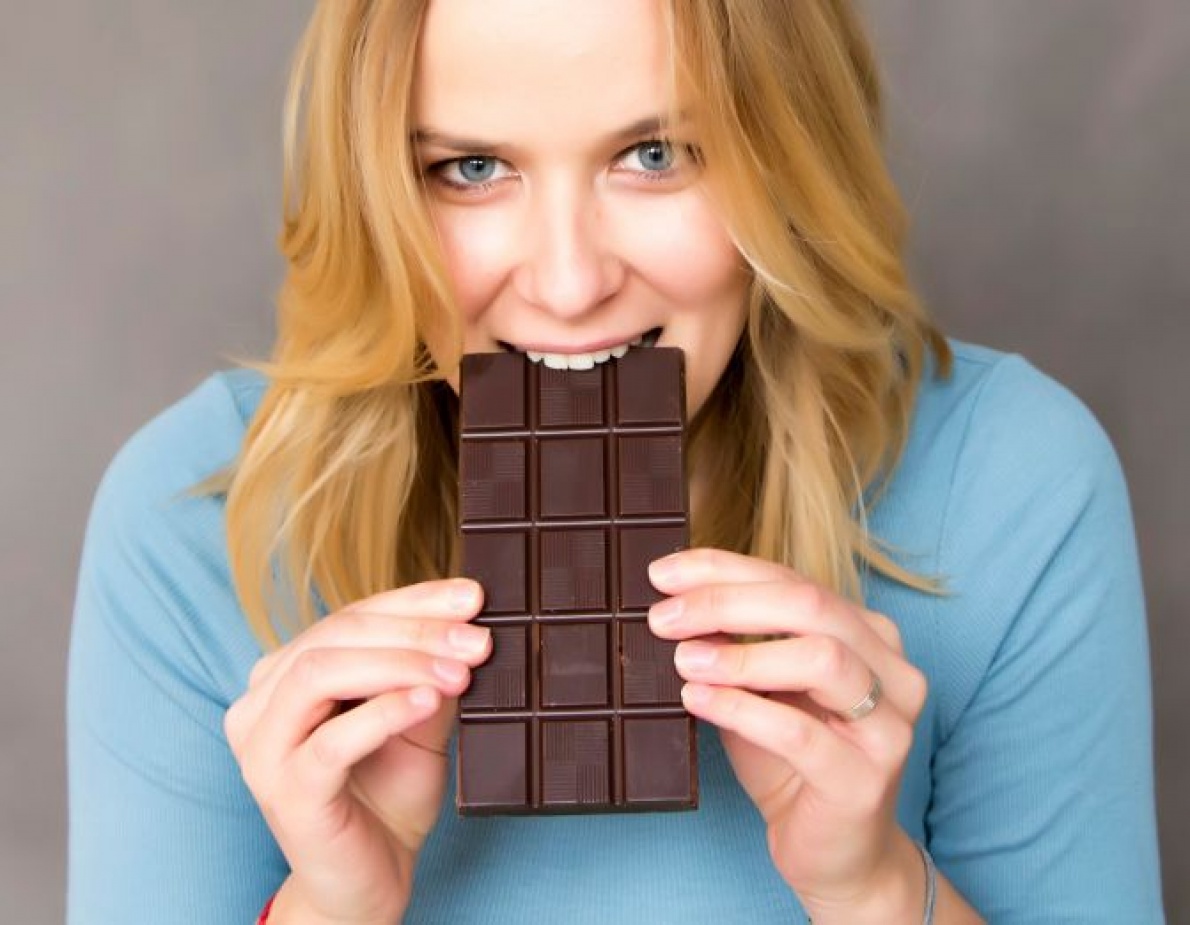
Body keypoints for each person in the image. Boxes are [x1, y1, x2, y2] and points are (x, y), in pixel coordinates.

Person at [66, 0, 1164, 922]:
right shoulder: (191, 518)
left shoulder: (1008, 480)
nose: (567, 282)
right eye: (471, 168)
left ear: (789, 159)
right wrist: (331, 905)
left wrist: (871, 889)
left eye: (655, 156)